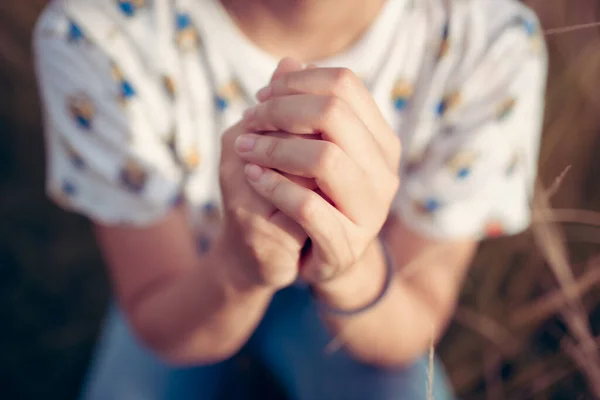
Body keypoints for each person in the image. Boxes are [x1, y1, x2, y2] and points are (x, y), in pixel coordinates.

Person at [33, 0, 547, 398]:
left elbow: (414, 318)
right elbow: (158, 313)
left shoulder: (489, 42)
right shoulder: (96, 33)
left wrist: (347, 266)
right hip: (191, 276)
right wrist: (239, 265)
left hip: (368, 294)